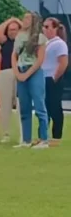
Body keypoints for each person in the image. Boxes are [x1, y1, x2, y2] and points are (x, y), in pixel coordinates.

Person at [12, 12, 49, 149]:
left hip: (34, 71)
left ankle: (44, 139)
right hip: (21, 70)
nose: (25, 20)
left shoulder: (40, 38)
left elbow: (40, 59)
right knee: (24, 107)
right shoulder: (19, 37)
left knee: (39, 105)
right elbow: (14, 55)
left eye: (28, 18)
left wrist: (27, 74)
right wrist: (16, 72)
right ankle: (26, 140)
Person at [0, 16, 22, 142]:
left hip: (20, 72)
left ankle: (23, 133)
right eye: (10, 30)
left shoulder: (24, 41)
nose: (12, 32)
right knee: (5, 105)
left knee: (21, 104)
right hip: (5, 72)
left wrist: (18, 22)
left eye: (15, 30)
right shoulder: (5, 41)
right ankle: (6, 133)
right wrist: (11, 20)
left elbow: (28, 30)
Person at [42, 17, 68, 145]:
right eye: (44, 26)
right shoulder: (47, 43)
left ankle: (56, 136)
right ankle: (44, 135)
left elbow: (63, 62)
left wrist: (54, 77)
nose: (45, 29)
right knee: (45, 107)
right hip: (44, 77)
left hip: (52, 78)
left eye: (48, 27)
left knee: (54, 107)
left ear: (55, 28)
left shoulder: (59, 43)